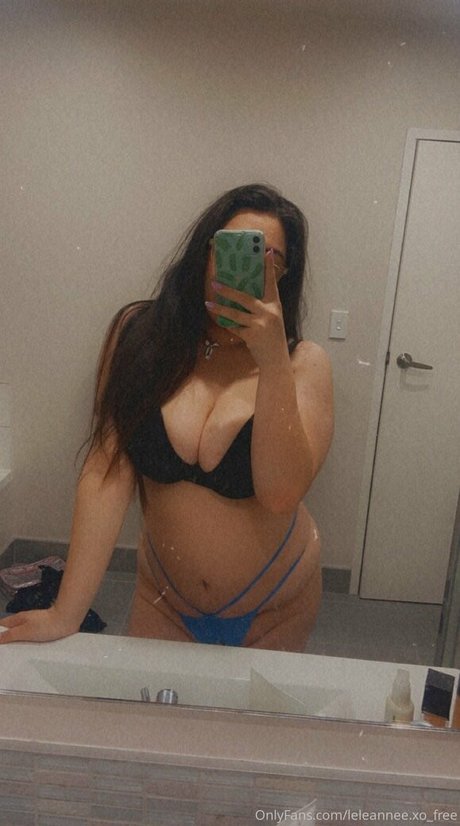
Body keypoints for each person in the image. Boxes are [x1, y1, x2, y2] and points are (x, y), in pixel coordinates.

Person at [0, 184, 334, 652]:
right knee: (148, 704)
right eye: (229, 246)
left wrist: (272, 359)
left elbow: (281, 495)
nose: (244, 265)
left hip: (277, 607)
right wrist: (66, 612)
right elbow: (106, 471)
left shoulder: (304, 364)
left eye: (267, 256)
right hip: (165, 603)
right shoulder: (139, 336)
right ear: (205, 251)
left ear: (283, 273)